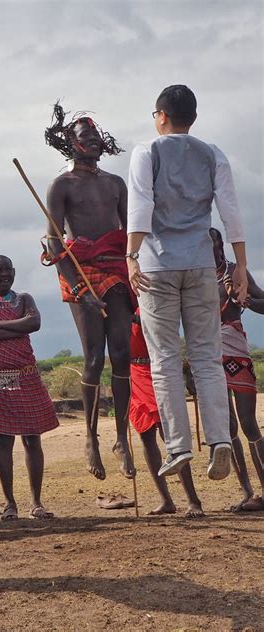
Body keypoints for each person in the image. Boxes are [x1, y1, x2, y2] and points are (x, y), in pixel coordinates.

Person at [126, 84, 247, 480]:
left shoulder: (147, 151)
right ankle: (220, 440)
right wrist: (240, 266)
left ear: (160, 115)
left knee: (163, 360)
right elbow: (229, 211)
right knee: (207, 358)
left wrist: (130, 256)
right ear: (192, 118)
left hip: (156, 266)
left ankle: (178, 447)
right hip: (200, 265)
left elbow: (141, 205)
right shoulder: (212, 153)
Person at [44, 103, 136, 481]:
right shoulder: (60, 185)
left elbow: (132, 234)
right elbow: (53, 243)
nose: (95, 141)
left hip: (116, 267)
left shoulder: (115, 183)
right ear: (71, 143)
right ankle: (91, 439)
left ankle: (121, 439)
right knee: (95, 357)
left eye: (97, 136)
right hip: (78, 267)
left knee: (122, 354)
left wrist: (139, 269)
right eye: (86, 137)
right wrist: (81, 289)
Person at [0, 256, 58, 520]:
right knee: (3, 441)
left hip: (26, 372)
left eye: (8, 269)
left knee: (32, 438)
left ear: (14, 272)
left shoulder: (26, 298)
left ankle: (36, 502)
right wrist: (16, 329)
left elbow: (35, 323)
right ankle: (9, 504)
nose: (4, 274)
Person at [130, 309, 203, 517]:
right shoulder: (118, 307)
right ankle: (166, 500)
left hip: (158, 369)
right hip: (133, 373)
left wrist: (186, 371)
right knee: (145, 436)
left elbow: (168, 334)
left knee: (170, 434)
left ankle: (193, 500)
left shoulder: (152, 301)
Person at [210, 227, 264, 511]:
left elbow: (263, 302)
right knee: (228, 426)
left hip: (236, 349)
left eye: (214, 245)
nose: (211, 251)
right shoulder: (193, 276)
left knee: (248, 423)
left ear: (221, 246)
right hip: (207, 355)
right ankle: (247, 493)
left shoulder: (236, 271)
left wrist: (246, 300)